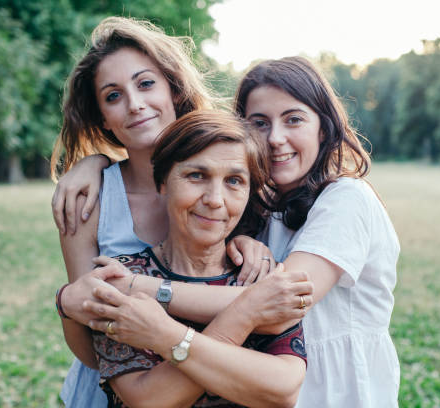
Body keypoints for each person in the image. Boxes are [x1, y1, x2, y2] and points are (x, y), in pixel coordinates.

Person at [55, 56, 401, 406]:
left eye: (293, 119)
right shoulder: (262, 206)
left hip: (335, 389)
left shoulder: (347, 198)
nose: (276, 138)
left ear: (323, 128)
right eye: (260, 123)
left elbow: (281, 303)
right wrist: (93, 162)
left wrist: (140, 292)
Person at [52, 16, 283, 407]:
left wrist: (245, 241)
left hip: (220, 381)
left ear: (174, 89)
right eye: (113, 96)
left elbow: (268, 312)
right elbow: (91, 324)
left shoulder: (226, 173)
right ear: (101, 118)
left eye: (145, 84)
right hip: (123, 387)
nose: (135, 104)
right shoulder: (88, 198)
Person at [60, 110, 309, 407]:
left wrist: (164, 334)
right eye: (196, 176)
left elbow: (282, 390)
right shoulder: (120, 277)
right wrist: (245, 314)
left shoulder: (261, 278)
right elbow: (148, 399)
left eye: (234, 181)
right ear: (162, 182)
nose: (215, 199)